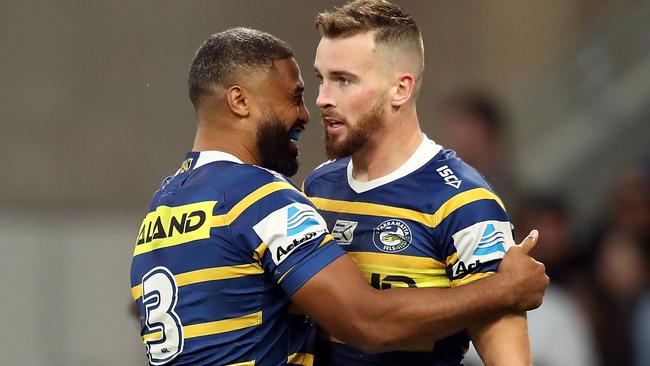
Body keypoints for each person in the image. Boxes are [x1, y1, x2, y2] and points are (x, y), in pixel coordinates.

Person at [130, 27, 548, 366]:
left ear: (400, 88)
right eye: (299, 93)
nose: (312, 109)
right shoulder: (265, 198)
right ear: (239, 101)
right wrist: (503, 289)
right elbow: (368, 323)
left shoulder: (163, 203)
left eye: (341, 80)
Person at [303, 1, 536, 365]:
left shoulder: (464, 203)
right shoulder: (318, 186)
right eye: (322, 79)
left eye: (344, 80)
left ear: (400, 89)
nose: (322, 99)